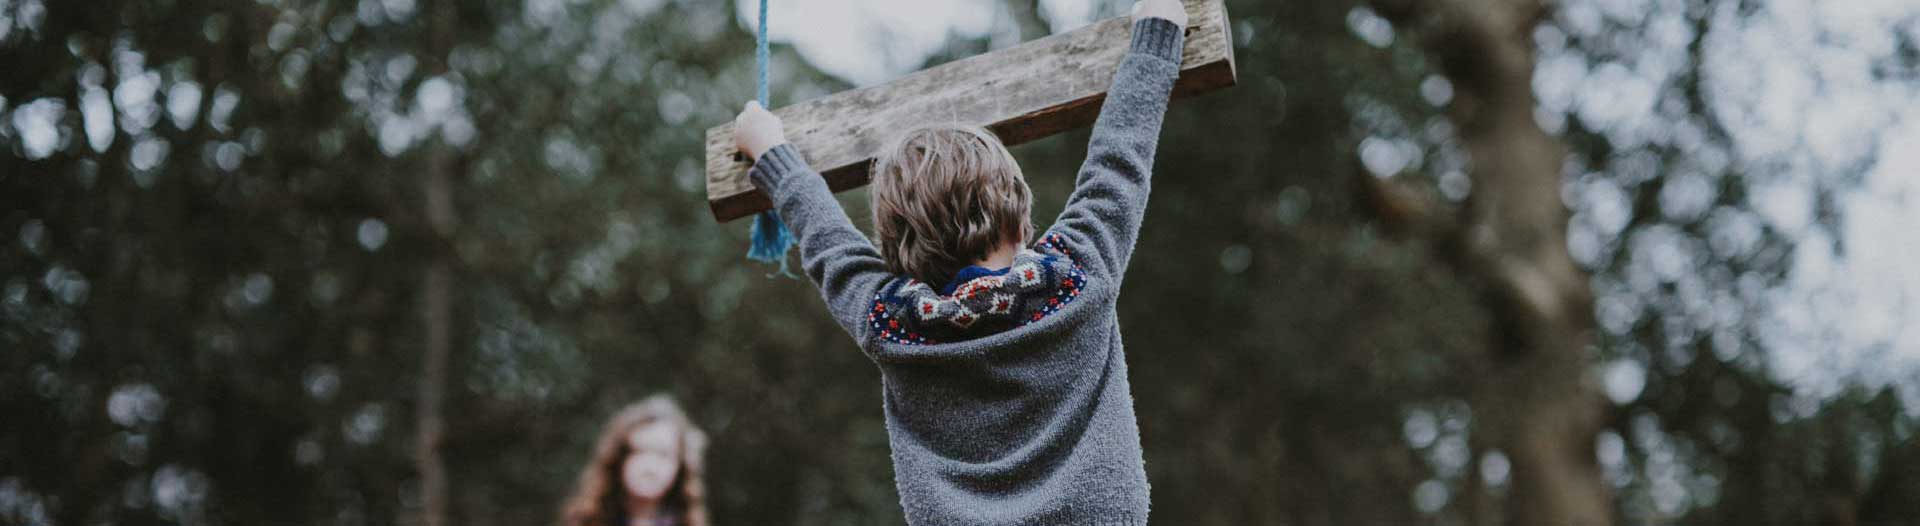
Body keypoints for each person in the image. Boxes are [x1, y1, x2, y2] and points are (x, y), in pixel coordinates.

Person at [728, 1, 1189, 523]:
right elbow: (1118, 162)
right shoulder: (1078, 275)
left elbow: (827, 238)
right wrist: (1156, 36)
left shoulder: (894, 323)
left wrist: (770, 153)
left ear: (898, 253)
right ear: (1020, 220)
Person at [559, 395, 709, 526]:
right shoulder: (586, 521)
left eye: (663, 454)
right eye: (639, 451)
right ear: (619, 458)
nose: (650, 466)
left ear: (680, 466)